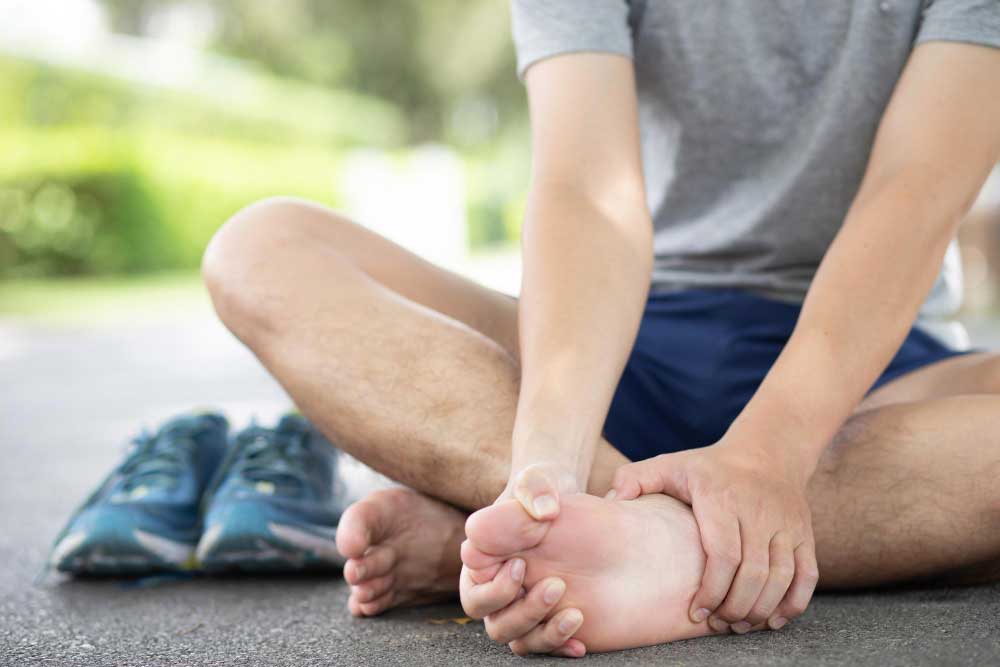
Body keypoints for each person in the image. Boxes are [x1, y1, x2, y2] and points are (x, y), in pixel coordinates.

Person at [197, 0, 1000, 657]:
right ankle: (603, 530)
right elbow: (587, 188)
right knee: (262, 246)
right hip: (622, 353)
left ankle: (592, 543)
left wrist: (769, 454)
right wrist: (546, 465)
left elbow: (914, 193)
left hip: (866, 384)